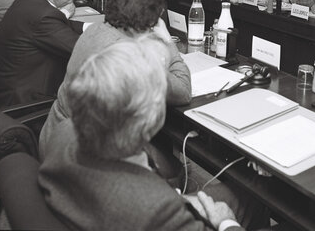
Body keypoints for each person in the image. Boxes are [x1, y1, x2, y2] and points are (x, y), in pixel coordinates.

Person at [39, 39, 268, 231]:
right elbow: (148, 204)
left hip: (99, 207)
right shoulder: (158, 210)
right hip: (137, 209)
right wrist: (226, 222)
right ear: (148, 120)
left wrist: (178, 197)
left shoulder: (63, 132)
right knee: (254, 197)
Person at [39, 0, 192, 156]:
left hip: (55, 136)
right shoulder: (129, 56)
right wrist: (167, 41)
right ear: (153, 17)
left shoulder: (95, 29)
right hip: (80, 156)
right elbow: (184, 92)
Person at [0, 0, 85, 107]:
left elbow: (61, 25)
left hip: (6, 92)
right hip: (27, 104)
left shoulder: (28, 0)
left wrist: (92, 27)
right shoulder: (43, 15)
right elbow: (84, 50)